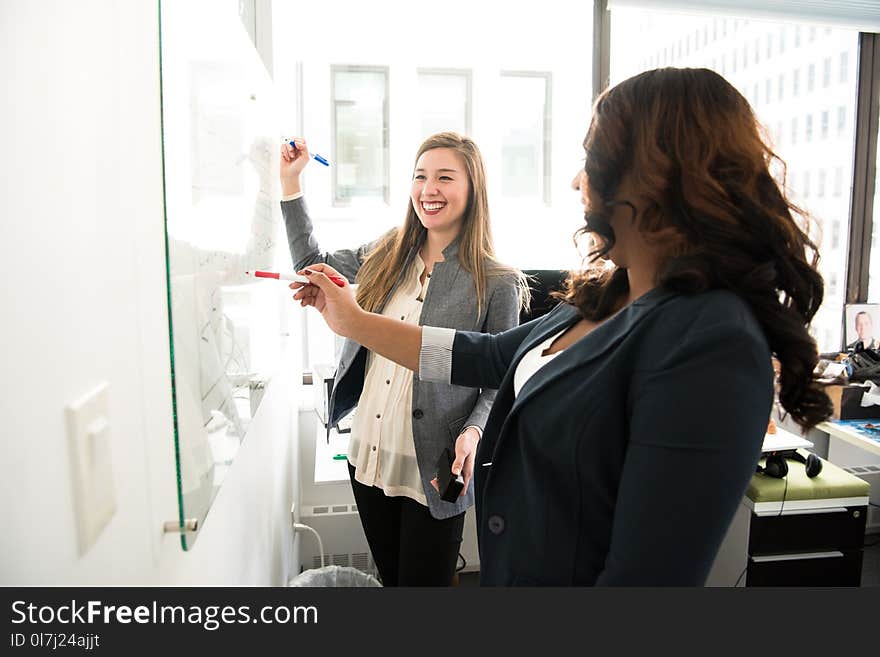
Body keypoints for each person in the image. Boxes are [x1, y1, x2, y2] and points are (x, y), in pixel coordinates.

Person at [290, 68, 833, 586]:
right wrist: (355, 322)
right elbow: (487, 356)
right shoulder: (604, 293)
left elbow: (643, 583)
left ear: (655, 174)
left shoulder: (710, 342)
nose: (577, 180)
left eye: (591, 159)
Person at [280, 131, 526, 586]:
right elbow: (311, 264)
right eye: (420, 176)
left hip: (436, 464)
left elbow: (501, 378)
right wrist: (291, 184)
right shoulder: (387, 253)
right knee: (394, 580)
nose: (428, 190)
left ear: (473, 190)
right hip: (369, 453)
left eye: (445, 178)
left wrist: (474, 431)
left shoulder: (497, 281)